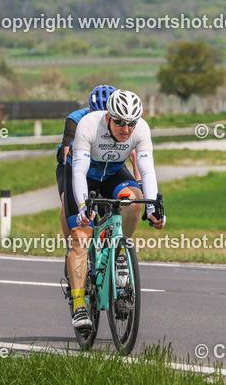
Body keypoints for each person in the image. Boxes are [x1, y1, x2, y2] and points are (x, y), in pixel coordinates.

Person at [66, 89, 165, 329]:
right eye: (119, 122)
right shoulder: (89, 125)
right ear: (108, 117)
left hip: (112, 174)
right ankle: (79, 305)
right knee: (81, 235)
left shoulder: (141, 129)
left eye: (130, 123)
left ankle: (120, 249)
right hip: (85, 175)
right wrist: (82, 207)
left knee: (133, 200)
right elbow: (78, 171)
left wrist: (153, 208)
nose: (126, 129)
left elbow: (147, 170)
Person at [55, 85, 140, 240]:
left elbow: (133, 155)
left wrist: (138, 181)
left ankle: (115, 246)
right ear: (90, 112)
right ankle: (73, 244)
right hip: (74, 164)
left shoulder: (120, 122)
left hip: (107, 164)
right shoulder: (76, 119)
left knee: (126, 200)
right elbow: (68, 154)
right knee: (67, 198)